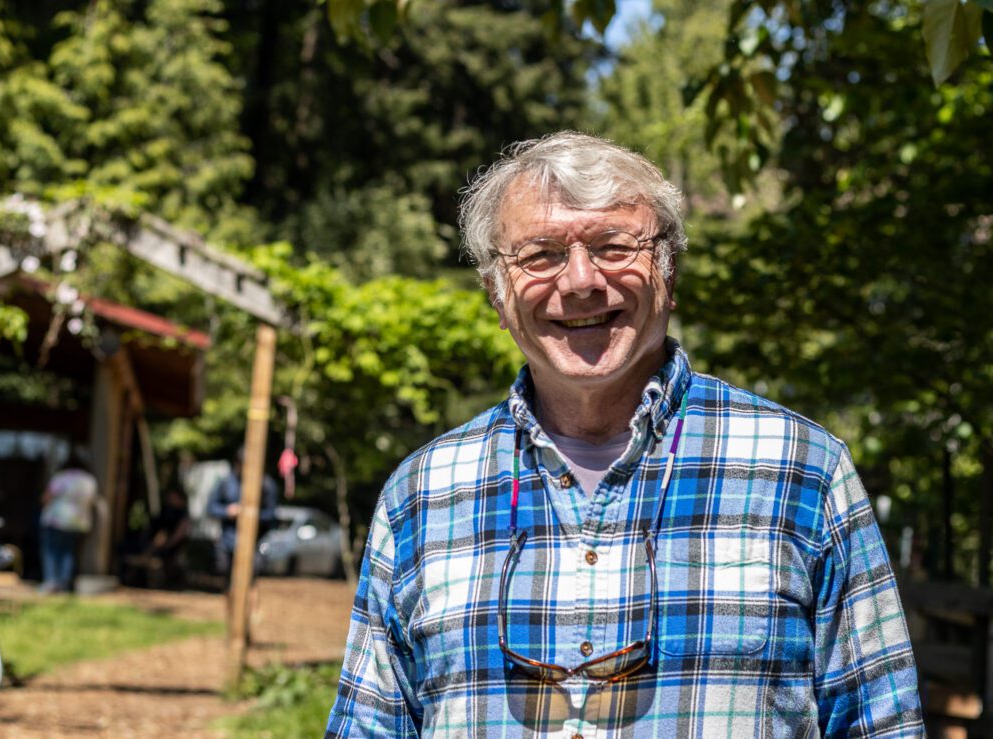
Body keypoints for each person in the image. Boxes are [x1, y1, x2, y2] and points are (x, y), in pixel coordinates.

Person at [326, 132, 923, 737]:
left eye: (614, 247)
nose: (581, 281)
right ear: (496, 293)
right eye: (540, 255)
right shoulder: (421, 494)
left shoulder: (803, 469)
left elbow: (883, 725)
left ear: (667, 269)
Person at [206, 448, 278, 584]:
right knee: (228, 580)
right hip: (228, 541)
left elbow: (271, 515)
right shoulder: (226, 483)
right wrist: (227, 511)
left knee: (251, 581)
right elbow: (211, 508)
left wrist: (250, 515)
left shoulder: (266, 485)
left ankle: (251, 605)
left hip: (256, 541)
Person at [38, 454, 99, 593]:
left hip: (56, 520)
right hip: (78, 523)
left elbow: (46, 497)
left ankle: (51, 582)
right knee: (68, 553)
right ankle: (64, 585)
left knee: (51, 552)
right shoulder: (90, 481)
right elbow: (92, 502)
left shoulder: (61, 477)